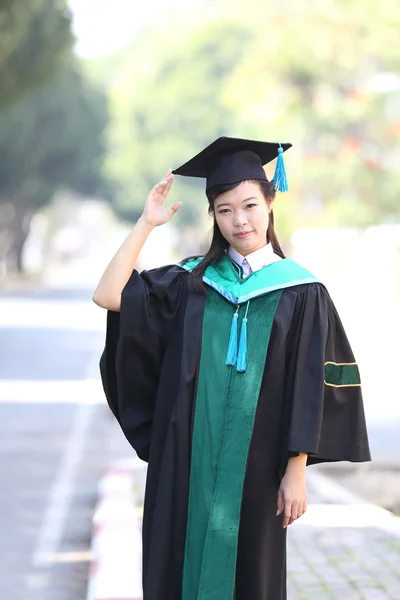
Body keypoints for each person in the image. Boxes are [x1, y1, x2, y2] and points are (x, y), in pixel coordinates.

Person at [93, 136, 371, 600]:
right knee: (175, 567)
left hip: (259, 468)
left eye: (248, 205)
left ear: (269, 203)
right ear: (214, 217)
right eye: (224, 210)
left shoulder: (302, 291)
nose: (239, 220)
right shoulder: (188, 284)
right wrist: (146, 224)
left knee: (250, 578)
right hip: (185, 459)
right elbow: (107, 295)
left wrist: (296, 470)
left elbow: (309, 385)